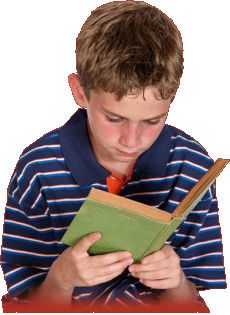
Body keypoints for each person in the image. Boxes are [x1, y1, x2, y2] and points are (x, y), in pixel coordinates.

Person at [1, 1, 226, 309]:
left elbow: (191, 304)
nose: (132, 141)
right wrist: (61, 278)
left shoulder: (194, 167)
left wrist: (177, 282)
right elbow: (24, 304)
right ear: (81, 93)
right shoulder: (38, 169)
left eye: (151, 121)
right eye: (114, 118)